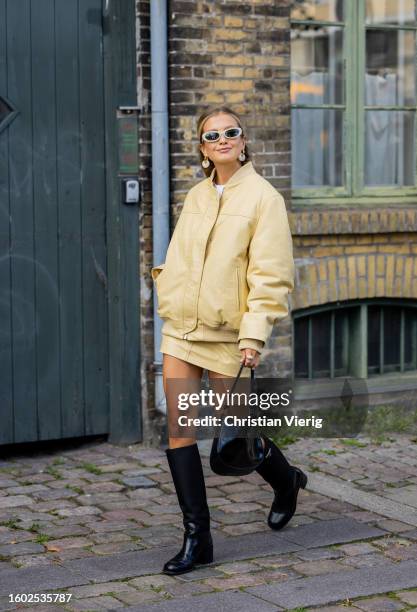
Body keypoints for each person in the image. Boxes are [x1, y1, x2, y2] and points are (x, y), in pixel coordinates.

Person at [151, 105, 307, 576]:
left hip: (228, 336)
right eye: (211, 134)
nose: (221, 139)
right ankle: (198, 538)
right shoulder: (197, 196)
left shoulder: (264, 198)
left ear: (243, 141)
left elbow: (271, 275)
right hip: (181, 329)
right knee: (180, 431)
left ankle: (286, 482)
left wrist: (253, 335)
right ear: (202, 147)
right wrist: (166, 284)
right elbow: (180, 254)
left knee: (236, 431)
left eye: (230, 132)